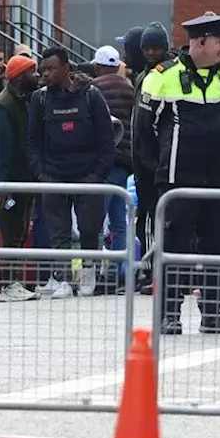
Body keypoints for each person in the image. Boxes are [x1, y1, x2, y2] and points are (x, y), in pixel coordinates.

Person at [140, 13, 220, 335]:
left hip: (218, 179)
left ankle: (211, 313)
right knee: (174, 248)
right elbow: (143, 135)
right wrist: (154, 177)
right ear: (201, 42)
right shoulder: (161, 77)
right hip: (177, 180)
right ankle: (170, 314)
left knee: (215, 247)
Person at [27, 46, 114, 298]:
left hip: (88, 176)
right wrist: (40, 173)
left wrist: (98, 174)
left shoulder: (91, 96)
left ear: (66, 68)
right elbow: (32, 140)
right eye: (43, 69)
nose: (46, 74)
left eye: (52, 69)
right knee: (59, 232)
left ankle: (88, 272)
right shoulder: (39, 99)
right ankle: (63, 278)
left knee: (89, 229)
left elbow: (106, 139)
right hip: (53, 175)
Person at [0, 54, 41, 302]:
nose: (37, 76)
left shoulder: (22, 101)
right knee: (10, 231)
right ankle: (8, 285)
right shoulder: (2, 106)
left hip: (21, 180)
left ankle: (13, 282)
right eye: (32, 72)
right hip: (8, 185)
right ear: (19, 77)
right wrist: (1, 186)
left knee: (19, 231)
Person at [129, 21, 174, 293]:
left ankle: (153, 271)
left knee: (153, 219)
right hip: (142, 160)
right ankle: (149, 270)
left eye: (156, 47)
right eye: (147, 47)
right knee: (145, 219)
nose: (151, 52)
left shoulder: (164, 75)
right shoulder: (142, 77)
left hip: (157, 161)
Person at [89, 45, 135, 290]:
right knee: (119, 219)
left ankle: (96, 274)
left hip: (103, 162)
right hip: (125, 161)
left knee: (97, 219)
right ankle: (121, 274)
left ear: (97, 66)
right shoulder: (129, 88)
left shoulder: (95, 89)